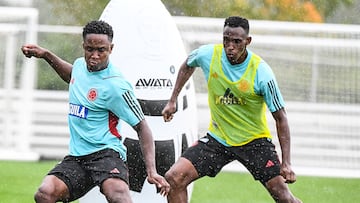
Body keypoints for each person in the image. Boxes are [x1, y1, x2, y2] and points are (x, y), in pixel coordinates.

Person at [21, 20, 170, 203]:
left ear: (111, 49)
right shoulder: (79, 67)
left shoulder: (116, 86)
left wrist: (152, 171)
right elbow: (72, 74)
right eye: (90, 49)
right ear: (83, 46)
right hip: (78, 157)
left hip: (106, 154)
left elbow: (142, 126)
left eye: (101, 50)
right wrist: (46, 55)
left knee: (118, 196)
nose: (95, 55)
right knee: (45, 193)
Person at [162, 16, 302, 203]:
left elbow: (281, 118)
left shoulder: (262, 73)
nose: (230, 46)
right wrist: (173, 100)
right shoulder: (208, 54)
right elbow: (187, 65)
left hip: (254, 141)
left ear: (248, 41)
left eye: (236, 42)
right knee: (174, 178)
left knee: (284, 197)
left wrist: (286, 163)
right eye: (226, 40)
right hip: (218, 139)